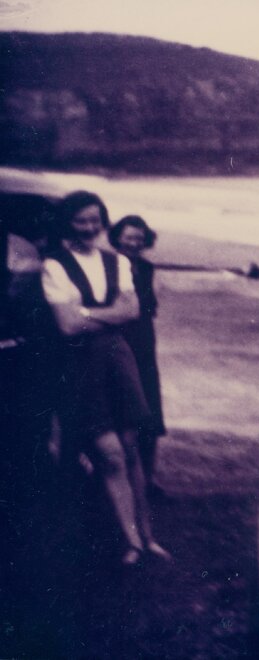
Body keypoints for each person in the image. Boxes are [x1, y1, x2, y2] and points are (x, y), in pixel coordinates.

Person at [42, 191, 170, 566]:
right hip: (81, 365)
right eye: (80, 220)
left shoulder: (118, 261)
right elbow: (67, 326)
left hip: (119, 360)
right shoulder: (55, 265)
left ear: (103, 223)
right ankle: (130, 541)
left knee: (130, 449)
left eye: (95, 220)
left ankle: (147, 538)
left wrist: (86, 312)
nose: (88, 228)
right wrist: (108, 313)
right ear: (68, 223)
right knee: (110, 454)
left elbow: (132, 311)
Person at [109, 215, 167, 499]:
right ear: (117, 237)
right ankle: (120, 477)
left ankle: (149, 478)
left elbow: (150, 307)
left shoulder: (147, 268)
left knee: (150, 409)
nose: (133, 243)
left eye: (139, 238)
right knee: (119, 410)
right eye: (128, 237)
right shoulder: (106, 264)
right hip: (117, 338)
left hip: (144, 342)